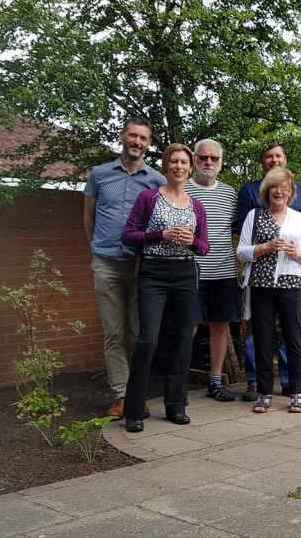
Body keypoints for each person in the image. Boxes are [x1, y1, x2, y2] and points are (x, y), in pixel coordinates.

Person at [120, 144, 209, 432]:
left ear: (190, 167)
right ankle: (133, 410)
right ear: (166, 165)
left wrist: (189, 241)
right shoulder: (148, 198)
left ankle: (176, 406)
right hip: (153, 273)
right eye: (174, 162)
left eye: (184, 162)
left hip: (184, 272)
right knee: (148, 339)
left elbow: (204, 247)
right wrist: (161, 234)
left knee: (184, 338)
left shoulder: (196, 205)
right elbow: (128, 235)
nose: (179, 167)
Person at [83, 117, 165, 418]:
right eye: (133, 136)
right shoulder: (100, 175)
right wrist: (95, 247)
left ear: (149, 143)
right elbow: (88, 216)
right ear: (122, 136)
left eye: (143, 138)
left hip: (139, 265)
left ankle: (136, 394)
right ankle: (121, 395)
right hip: (105, 263)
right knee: (114, 333)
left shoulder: (155, 180)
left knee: (141, 333)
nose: (137, 142)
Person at [235, 142, 301, 401]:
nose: (278, 192)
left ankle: (296, 391)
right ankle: (264, 393)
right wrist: (265, 247)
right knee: (263, 339)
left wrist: (297, 254)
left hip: (293, 284)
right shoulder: (254, 216)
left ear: (291, 191)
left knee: (294, 339)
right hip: (261, 284)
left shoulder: (300, 219)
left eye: (284, 187)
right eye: (273, 187)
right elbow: (241, 252)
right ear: (266, 191)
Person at [184, 139, 239, 403]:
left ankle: (215, 382)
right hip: (189, 272)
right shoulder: (181, 188)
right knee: (188, 326)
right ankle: (178, 381)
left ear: (221, 162)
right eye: (203, 158)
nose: (208, 163)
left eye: (214, 159)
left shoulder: (230, 193)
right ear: (194, 160)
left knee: (220, 327)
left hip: (224, 271)